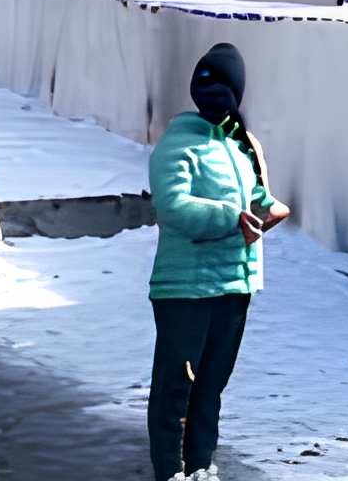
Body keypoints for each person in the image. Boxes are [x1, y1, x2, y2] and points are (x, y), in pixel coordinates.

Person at [148, 44, 290, 481]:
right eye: (204, 86)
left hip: (234, 285)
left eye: (223, 88)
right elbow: (172, 206)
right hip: (185, 288)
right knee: (178, 388)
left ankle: (201, 468)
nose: (212, 96)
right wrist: (233, 218)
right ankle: (171, 473)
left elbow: (252, 197)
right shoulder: (177, 142)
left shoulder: (240, 143)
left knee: (210, 389)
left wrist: (269, 206)